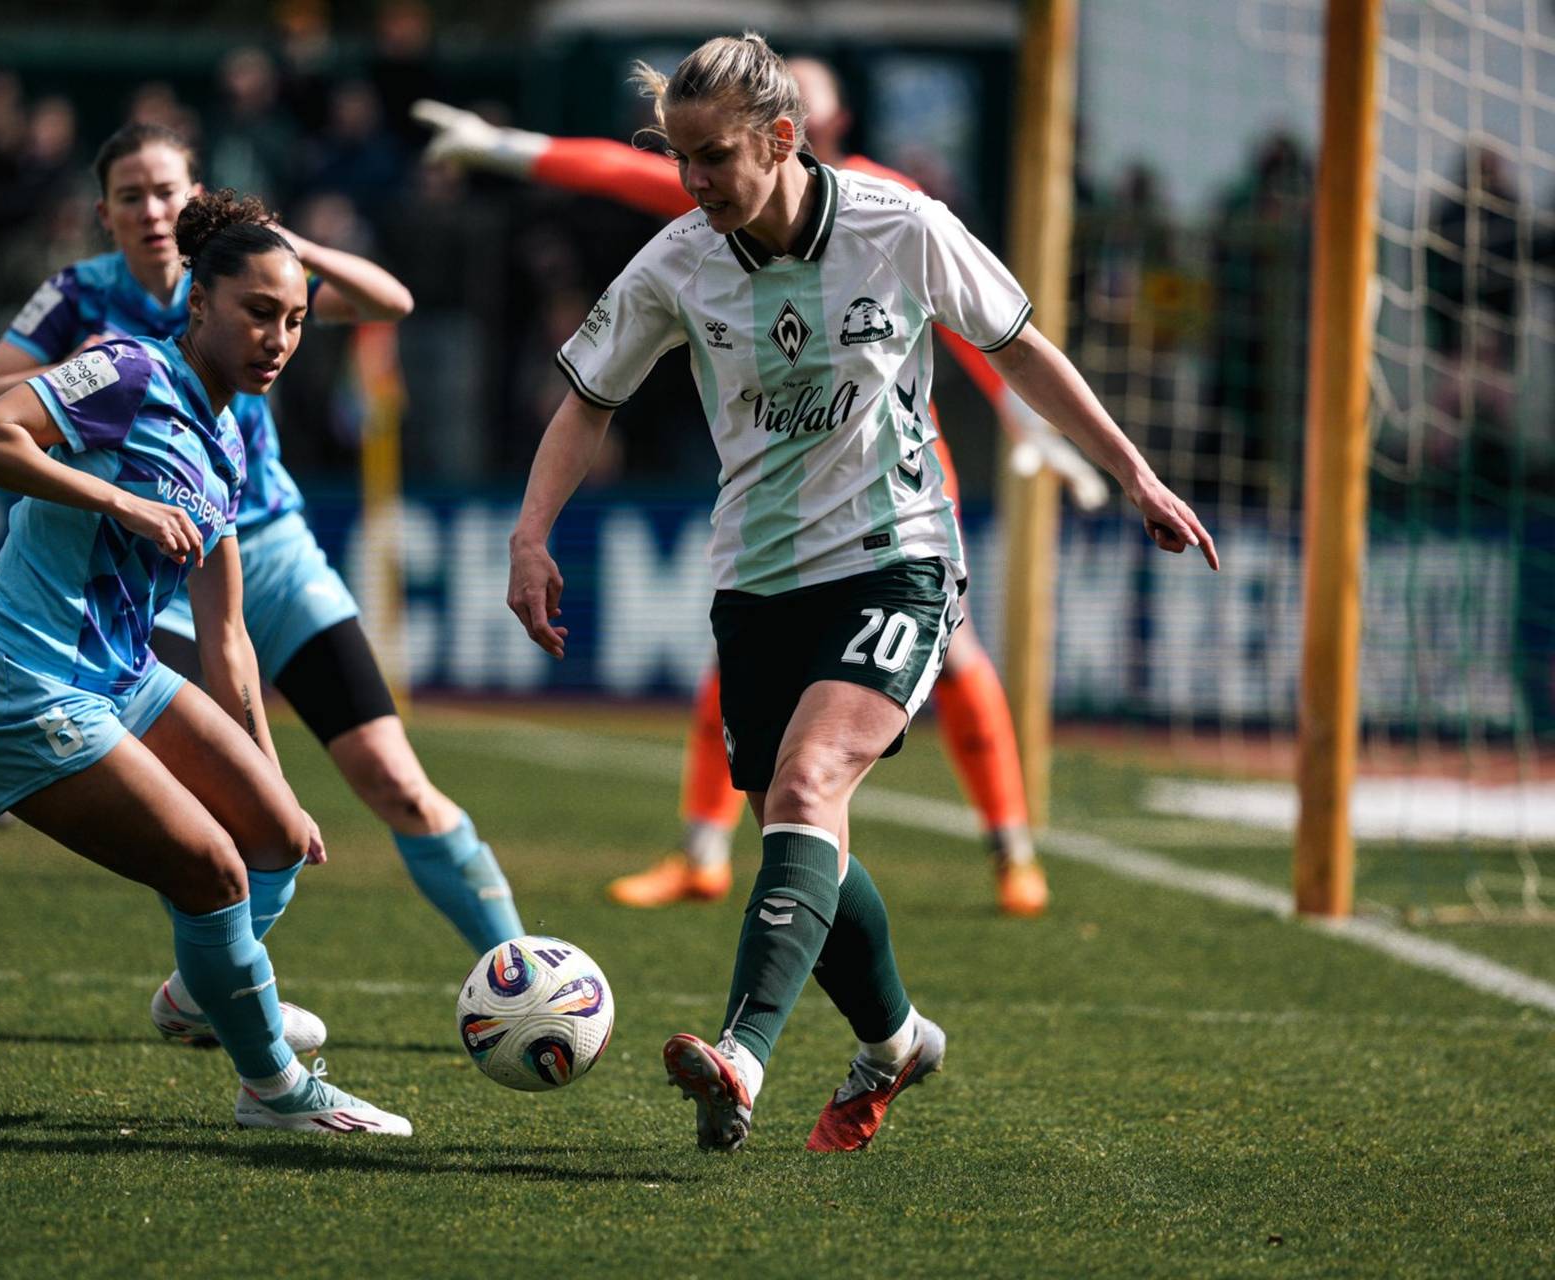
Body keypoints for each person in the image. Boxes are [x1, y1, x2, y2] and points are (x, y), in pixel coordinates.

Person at [507, 34, 1216, 1153]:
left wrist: (1134, 472)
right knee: (801, 823)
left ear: (782, 139)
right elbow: (588, 400)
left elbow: (1021, 349)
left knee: (809, 775)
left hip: (900, 556)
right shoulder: (676, 262)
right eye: (679, 159)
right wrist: (530, 533)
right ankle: (894, 1038)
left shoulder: (903, 224)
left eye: (713, 159)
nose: (693, 184)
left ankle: (740, 1054)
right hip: (756, 580)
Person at [419, 59, 1107, 917]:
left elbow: (979, 323)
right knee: (748, 679)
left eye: (807, 113)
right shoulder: (708, 214)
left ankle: (1012, 849)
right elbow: (620, 171)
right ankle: (705, 851)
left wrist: (1030, 420)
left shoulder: (883, 206)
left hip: (893, 493)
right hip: (778, 506)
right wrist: (505, 148)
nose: (699, 174)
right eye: (691, 156)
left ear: (806, 128)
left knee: (953, 661)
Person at [0, 124, 523, 1044]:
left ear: (197, 196)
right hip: (143, 571)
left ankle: (519, 975)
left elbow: (392, 302)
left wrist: (282, 244)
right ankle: (230, 1005)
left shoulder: (255, 273)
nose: (153, 210)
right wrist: (89, 412)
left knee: (391, 783)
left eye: (169, 190)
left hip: (267, 548)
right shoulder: (85, 304)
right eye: (130, 195)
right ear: (106, 214)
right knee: (203, 820)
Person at [0, 190, 410, 1135]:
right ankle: (274, 1089)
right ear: (199, 304)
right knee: (214, 873)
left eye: (295, 321)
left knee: (274, 839)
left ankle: (202, 997)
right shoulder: (122, 369)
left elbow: (227, 635)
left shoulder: (230, 441)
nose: (278, 338)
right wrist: (119, 504)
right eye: (257, 313)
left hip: (116, 678)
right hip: (20, 681)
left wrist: (273, 779)